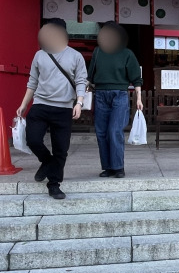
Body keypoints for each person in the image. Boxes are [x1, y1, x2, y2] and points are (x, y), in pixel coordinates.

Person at [16, 19, 87, 200]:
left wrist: (79, 103)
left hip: (63, 108)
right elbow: (32, 82)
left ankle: (54, 184)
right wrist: (24, 104)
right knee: (32, 140)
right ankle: (47, 162)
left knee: (61, 149)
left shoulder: (76, 56)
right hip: (40, 105)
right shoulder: (40, 55)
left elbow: (81, 81)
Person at [89, 21, 143, 178]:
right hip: (100, 94)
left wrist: (139, 98)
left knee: (114, 131)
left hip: (119, 94)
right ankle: (108, 167)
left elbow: (136, 78)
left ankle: (118, 167)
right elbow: (90, 76)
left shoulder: (127, 54)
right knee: (101, 132)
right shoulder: (97, 52)